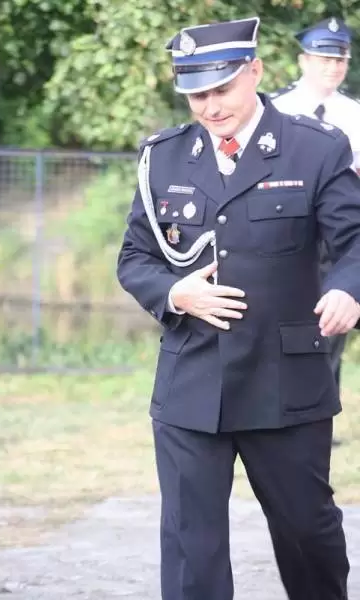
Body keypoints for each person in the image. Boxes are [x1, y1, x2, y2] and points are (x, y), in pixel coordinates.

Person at [117, 16, 360, 600]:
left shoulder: (316, 147)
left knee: (306, 532)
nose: (210, 106)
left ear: (255, 71)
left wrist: (347, 289)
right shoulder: (164, 157)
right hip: (191, 379)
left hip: (286, 379)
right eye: (196, 94)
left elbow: (354, 243)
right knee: (191, 548)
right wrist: (175, 293)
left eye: (221, 89)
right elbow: (135, 258)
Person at [271, 17, 360, 430]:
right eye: (324, 59)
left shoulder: (354, 114)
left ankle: (320, 417)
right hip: (285, 236)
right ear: (303, 61)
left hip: (340, 239)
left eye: (340, 60)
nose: (333, 67)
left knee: (333, 326)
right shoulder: (274, 110)